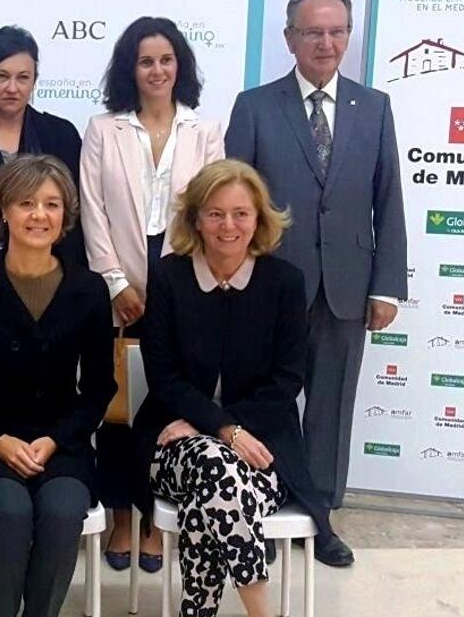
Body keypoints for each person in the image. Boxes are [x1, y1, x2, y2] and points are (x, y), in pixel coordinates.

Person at [224, 0, 407, 566]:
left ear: (348, 36)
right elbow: (234, 200)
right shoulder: (254, 105)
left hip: (348, 286)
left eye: (336, 31)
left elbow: (388, 198)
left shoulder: (373, 106)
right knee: (266, 404)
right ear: (289, 38)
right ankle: (262, 508)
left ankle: (320, 517)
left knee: (331, 405)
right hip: (271, 286)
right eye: (313, 31)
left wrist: (385, 284)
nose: (326, 43)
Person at [133, 159, 335, 617]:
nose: (229, 225)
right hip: (171, 442)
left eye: (241, 213)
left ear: (259, 219)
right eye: (215, 213)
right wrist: (223, 431)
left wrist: (229, 429)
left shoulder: (285, 283)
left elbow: (287, 380)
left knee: (216, 486)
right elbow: (164, 376)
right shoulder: (169, 276)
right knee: (214, 465)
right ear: (196, 220)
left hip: (263, 446)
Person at [0, 155, 115, 617]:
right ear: (3, 211)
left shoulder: (89, 290)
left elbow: (97, 389)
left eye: (51, 204)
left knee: (61, 510)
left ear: (65, 216)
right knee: (11, 512)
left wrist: (55, 439)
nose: (39, 215)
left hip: (60, 443)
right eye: (27, 203)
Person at [79, 16, 224, 572]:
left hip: (185, 285)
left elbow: (212, 210)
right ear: (130, 69)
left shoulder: (204, 131)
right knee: (118, 407)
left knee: (167, 403)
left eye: (166, 60)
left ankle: (154, 519)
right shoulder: (103, 129)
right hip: (120, 288)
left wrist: (184, 286)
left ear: (180, 65)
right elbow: (91, 210)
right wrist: (115, 282)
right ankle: (120, 516)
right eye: (146, 61)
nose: (157, 70)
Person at [0, 25, 85, 274]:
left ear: (34, 81)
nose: (12, 88)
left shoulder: (60, 135)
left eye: (23, 77)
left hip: (49, 274)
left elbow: (75, 219)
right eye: (2, 76)